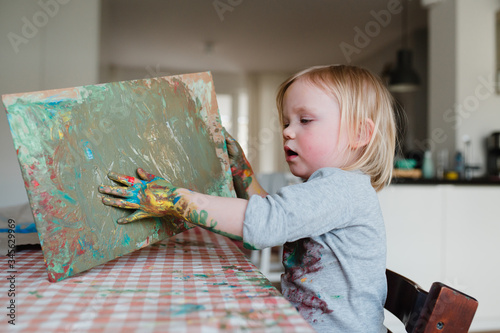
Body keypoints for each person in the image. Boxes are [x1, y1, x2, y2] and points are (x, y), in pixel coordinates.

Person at [98, 64, 396, 332]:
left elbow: (268, 222)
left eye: (305, 120)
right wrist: (243, 172)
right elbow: (277, 215)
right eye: (286, 121)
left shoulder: (341, 189)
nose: (288, 131)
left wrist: (176, 200)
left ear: (359, 133)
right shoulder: (332, 188)